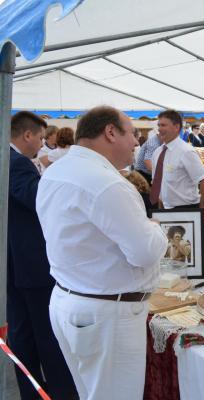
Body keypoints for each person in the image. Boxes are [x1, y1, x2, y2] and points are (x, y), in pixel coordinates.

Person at [36, 106, 168, 399]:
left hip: (72, 300)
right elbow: (145, 252)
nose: (136, 142)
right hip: (106, 314)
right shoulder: (107, 183)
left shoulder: (56, 170)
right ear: (110, 132)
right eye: (132, 133)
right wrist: (156, 227)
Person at [8, 112, 77, 400]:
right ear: (27, 135)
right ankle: (60, 392)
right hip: (30, 265)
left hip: (15, 262)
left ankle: (33, 391)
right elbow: (39, 199)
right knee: (46, 336)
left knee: (23, 334)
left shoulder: (11, 161)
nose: (40, 143)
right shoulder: (17, 164)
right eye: (39, 137)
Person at [151, 109, 204, 208]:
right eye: (159, 125)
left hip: (187, 210)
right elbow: (158, 183)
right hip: (165, 210)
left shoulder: (186, 151)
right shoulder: (157, 153)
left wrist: (203, 211)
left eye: (163, 125)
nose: (159, 129)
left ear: (176, 127)